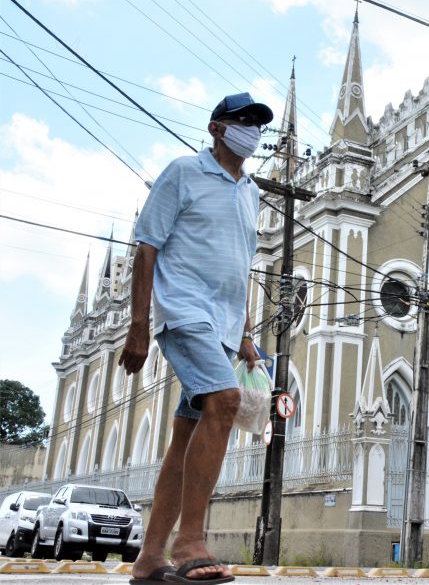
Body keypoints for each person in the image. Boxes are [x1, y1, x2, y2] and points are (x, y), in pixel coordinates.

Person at [120, 93, 272, 584]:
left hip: (226, 328)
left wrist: (246, 333)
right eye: (243, 120)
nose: (252, 129)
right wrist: (139, 325)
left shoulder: (250, 191)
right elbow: (147, 247)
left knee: (188, 431)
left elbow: (239, 266)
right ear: (216, 128)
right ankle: (190, 540)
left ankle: (149, 558)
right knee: (225, 401)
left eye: (258, 123)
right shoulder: (183, 172)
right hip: (184, 313)